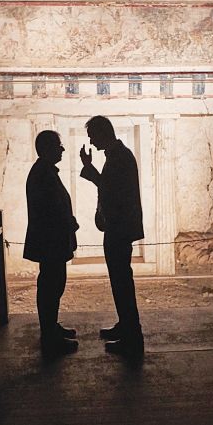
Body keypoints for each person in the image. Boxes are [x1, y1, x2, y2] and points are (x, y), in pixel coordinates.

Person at [80, 116, 145, 356]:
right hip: (118, 228)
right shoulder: (118, 155)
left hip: (119, 229)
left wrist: (89, 169)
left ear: (102, 133)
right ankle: (126, 326)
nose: (91, 141)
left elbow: (109, 190)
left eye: (92, 136)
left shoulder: (119, 158)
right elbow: (109, 188)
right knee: (120, 281)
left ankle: (132, 336)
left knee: (121, 282)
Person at [24, 130, 80, 355]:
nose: (62, 149)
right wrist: (69, 223)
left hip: (53, 241)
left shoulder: (45, 171)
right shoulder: (43, 174)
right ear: (47, 148)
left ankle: (51, 328)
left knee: (53, 285)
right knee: (50, 286)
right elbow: (51, 210)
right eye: (58, 145)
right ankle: (49, 337)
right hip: (51, 243)